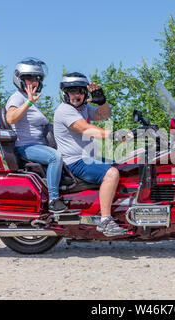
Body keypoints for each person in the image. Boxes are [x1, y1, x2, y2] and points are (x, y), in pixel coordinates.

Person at [53, 72, 128, 236]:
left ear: (85, 93)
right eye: (71, 91)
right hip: (75, 161)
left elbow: (104, 114)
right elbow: (86, 129)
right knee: (111, 173)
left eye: (80, 91)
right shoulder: (65, 110)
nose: (76, 95)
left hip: (88, 157)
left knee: (127, 165)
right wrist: (115, 135)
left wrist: (102, 102)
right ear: (64, 93)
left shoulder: (84, 108)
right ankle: (106, 221)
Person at [5, 57, 67, 213]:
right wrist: (28, 103)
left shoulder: (27, 98)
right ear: (19, 79)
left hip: (38, 145)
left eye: (37, 79)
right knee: (55, 157)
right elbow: (10, 118)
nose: (34, 82)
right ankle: (54, 200)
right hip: (26, 146)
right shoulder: (17, 97)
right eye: (29, 78)